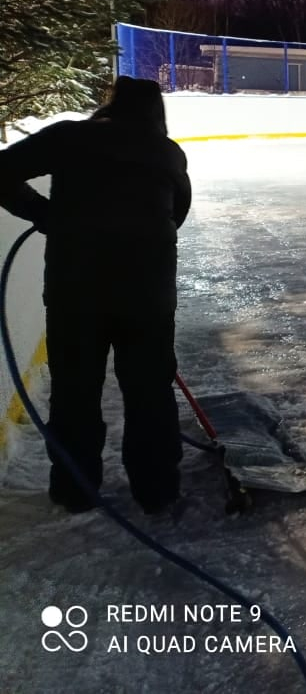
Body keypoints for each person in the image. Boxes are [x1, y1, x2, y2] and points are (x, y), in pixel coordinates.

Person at [0, 77, 191, 513]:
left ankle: (74, 490)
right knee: (150, 392)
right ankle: (157, 491)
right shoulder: (167, 152)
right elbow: (177, 212)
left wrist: (45, 214)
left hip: (76, 292)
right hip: (147, 295)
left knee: (74, 392)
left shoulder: (69, 136)